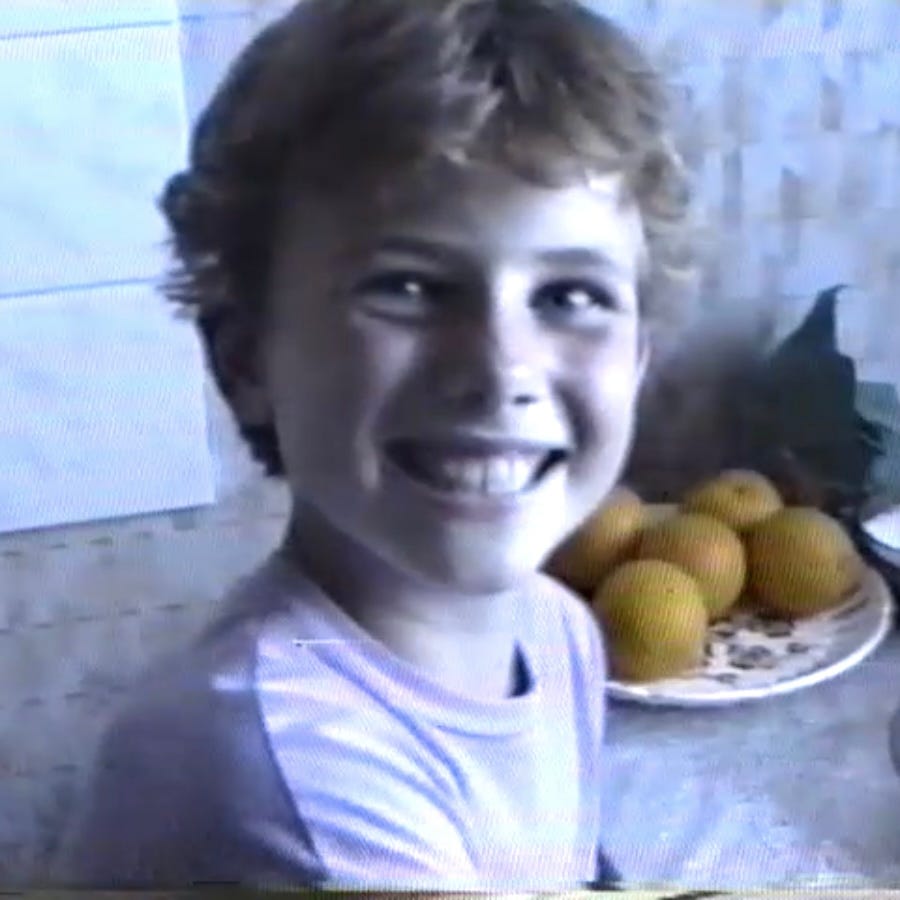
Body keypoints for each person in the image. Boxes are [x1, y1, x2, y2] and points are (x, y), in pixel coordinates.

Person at [51, 0, 695, 890]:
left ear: (637, 358)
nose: (500, 370)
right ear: (245, 357)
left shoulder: (557, 632)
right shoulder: (282, 774)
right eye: (409, 287)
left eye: (569, 297)